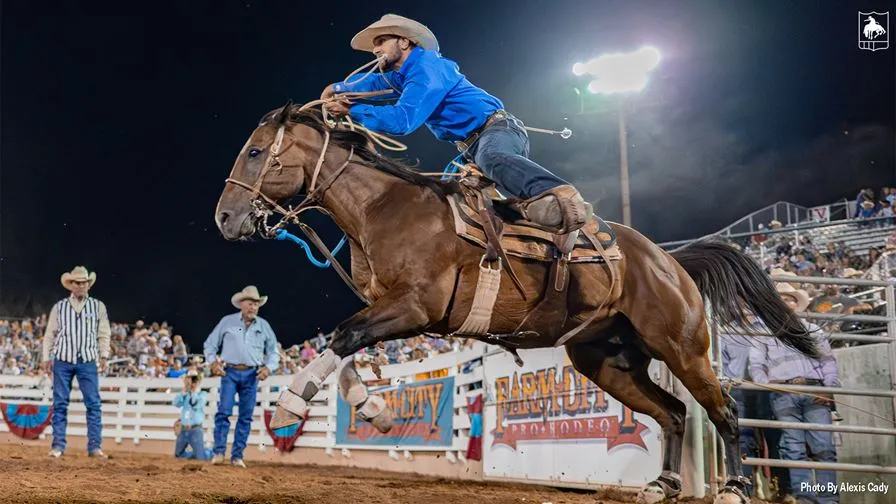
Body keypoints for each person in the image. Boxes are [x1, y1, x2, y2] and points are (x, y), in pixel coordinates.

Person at [322, 14, 591, 236]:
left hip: (496, 132)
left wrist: (353, 109)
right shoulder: (405, 76)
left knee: (492, 157)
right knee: (443, 201)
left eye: (381, 41)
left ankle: (560, 196)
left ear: (404, 41)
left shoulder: (427, 68)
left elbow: (403, 121)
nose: (376, 49)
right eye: (374, 46)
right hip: (473, 146)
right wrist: (338, 88)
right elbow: (376, 85)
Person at [749, 283, 841, 504]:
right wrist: (769, 384)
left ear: (795, 303)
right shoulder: (764, 334)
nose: (785, 303)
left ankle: (828, 499)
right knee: (793, 448)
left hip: (813, 389)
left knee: (823, 448)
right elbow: (756, 366)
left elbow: (828, 363)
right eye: (781, 299)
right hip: (783, 391)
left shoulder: (813, 330)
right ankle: (806, 498)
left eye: (789, 299)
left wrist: (828, 389)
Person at [203, 285, 279, 468]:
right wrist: (213, 362)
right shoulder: (227, 322)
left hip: (253, 374)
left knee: (245, 416)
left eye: (256, 303)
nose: (253, 307)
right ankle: (219, 452)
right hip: (229, 372)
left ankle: (237, 456)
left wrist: (268, 368)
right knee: (224, 412)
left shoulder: (263, 326)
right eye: (250, 303)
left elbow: (273, 351)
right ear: (241, 304)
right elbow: (210, 344)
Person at [40, 266, 111, 459]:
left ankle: (94, 447)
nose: (81, 285)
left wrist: (104, 355)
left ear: (88, 284)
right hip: (62, 359)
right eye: (77, 283)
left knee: (93, 404)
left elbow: (104, 334)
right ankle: (58, 446)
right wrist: (46, 358)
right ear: (71, 285)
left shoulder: (98, 306)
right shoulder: (59, 307)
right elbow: (50, 335)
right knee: (60, 403)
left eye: (84, 282)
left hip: (87, 360)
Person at [173, 369, 210, 460]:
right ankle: (193, 454)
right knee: (178, 455)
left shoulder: (202, 394)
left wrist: (194, 390)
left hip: (195, 429)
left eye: (194, 379)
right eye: (190, 379)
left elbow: (197, 404)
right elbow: (176, 403)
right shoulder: (185, 394)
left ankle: (209, 452)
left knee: (201, 457)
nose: (193, 381)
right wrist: (185, 389)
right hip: (183, 429)